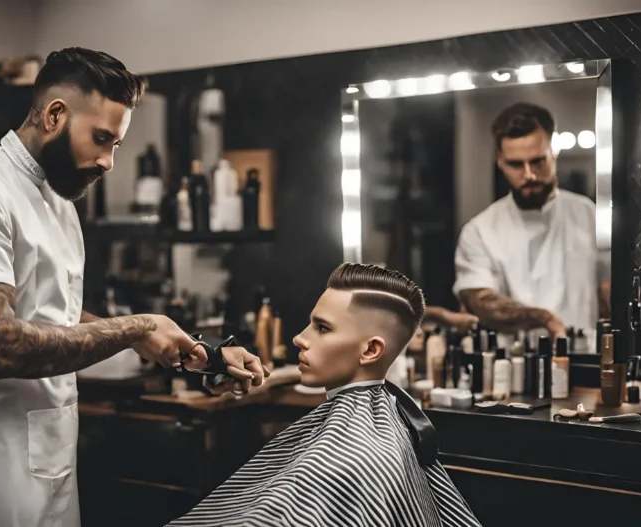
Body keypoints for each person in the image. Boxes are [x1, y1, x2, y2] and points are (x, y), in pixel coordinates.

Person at [0, 48, 266, 527]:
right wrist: (139, 326)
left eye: (116, 144)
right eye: (102, 138)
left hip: (47, 450)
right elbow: (0, 347)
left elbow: (58, 316)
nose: (110, 161)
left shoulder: (58, 201)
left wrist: (197, 349)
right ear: (55, 114)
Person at [169, 263, 481, 527]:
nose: (299, 338)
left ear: (371, 350)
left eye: (322, 328)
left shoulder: (354, 459)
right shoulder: (386, 427)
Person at [453, 102, 610, 339]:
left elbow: (609, 292)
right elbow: (480, 301)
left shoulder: (589, 214)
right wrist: (545, 319)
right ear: (500, 160)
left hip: (586, 360)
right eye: (516, 164)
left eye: (538, 161)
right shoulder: (480, 231)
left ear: (553, 152)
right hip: (513, 366)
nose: (529, 174)